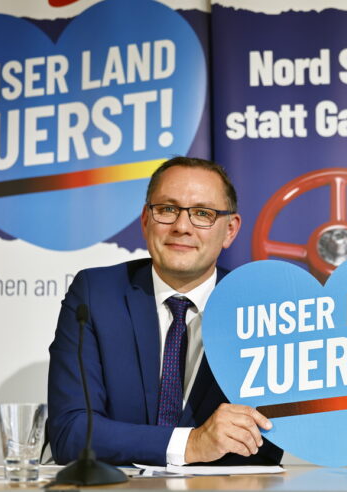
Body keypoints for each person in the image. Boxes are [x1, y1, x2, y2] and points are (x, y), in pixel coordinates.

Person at [47, 156, 283, 466]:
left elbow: (268, 439)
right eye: (167, 210)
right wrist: (191, 444)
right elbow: (70, 433)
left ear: (230, 230)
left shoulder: (263, 309)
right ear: (145, 220)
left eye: (203, 213)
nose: (182, 227)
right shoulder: (96, 294)